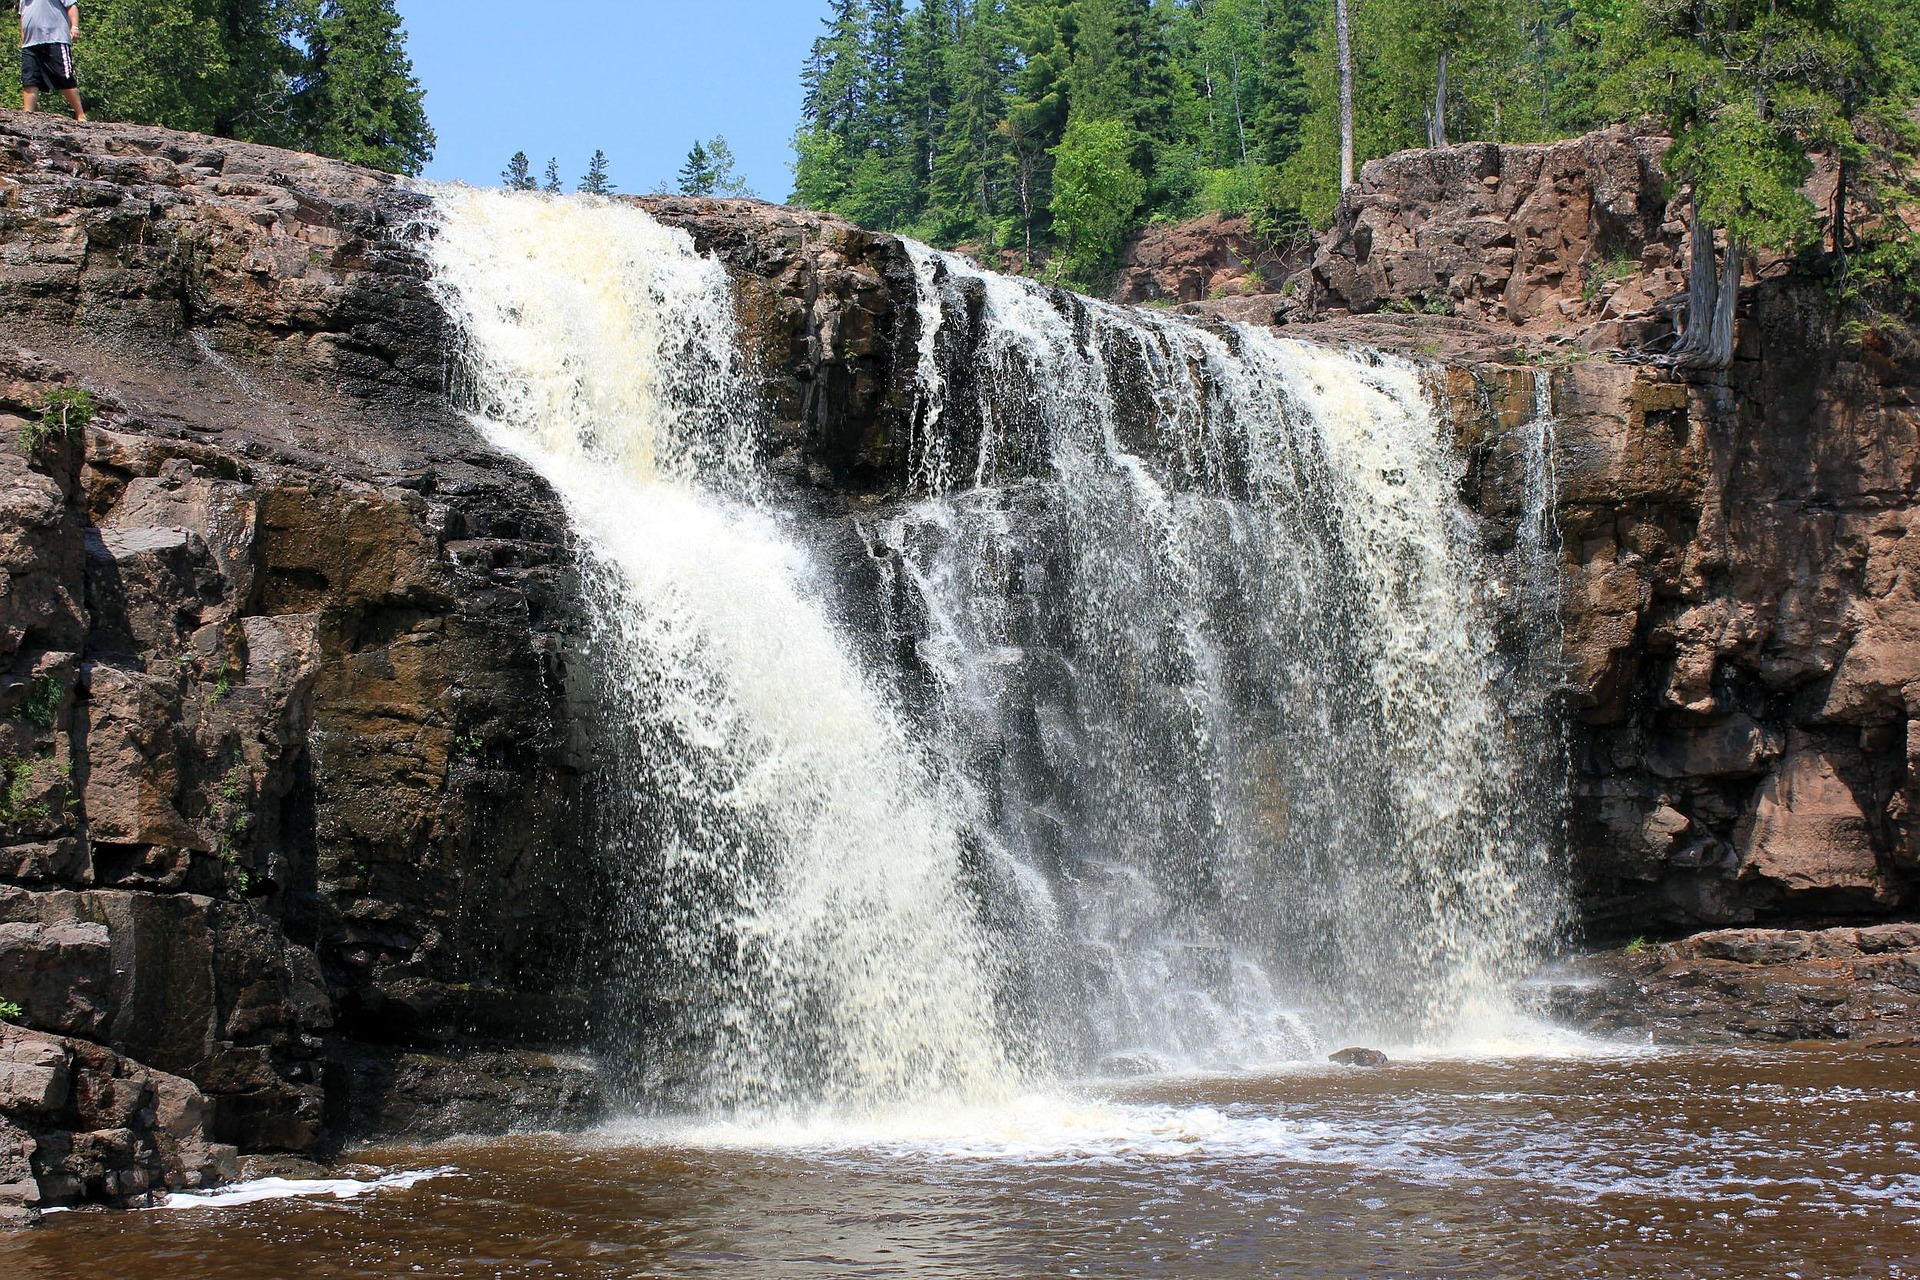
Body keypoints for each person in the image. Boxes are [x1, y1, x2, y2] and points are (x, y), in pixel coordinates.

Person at [19, 0, 83, 121]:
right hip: (30, 44)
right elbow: (22, 16)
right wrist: (23, 39)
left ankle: (80, 114)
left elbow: (72, 6)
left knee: (64, 76)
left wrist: (74, 26)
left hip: (55, 39)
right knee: (30, 79)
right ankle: (27, 115)